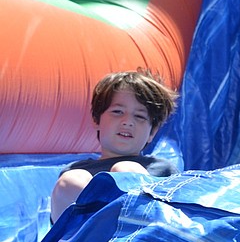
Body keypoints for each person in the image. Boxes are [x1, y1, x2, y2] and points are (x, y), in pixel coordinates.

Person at [50, 69, 179, 223]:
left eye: (139, 116)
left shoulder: (162, 170)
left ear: (152, 132)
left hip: (143, 236)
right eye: (117, 112)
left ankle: (128, 232)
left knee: (126, 170)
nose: (127, 121)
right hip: (86, 240)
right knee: (71, 181)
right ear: (97, 120)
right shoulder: (77, 171)